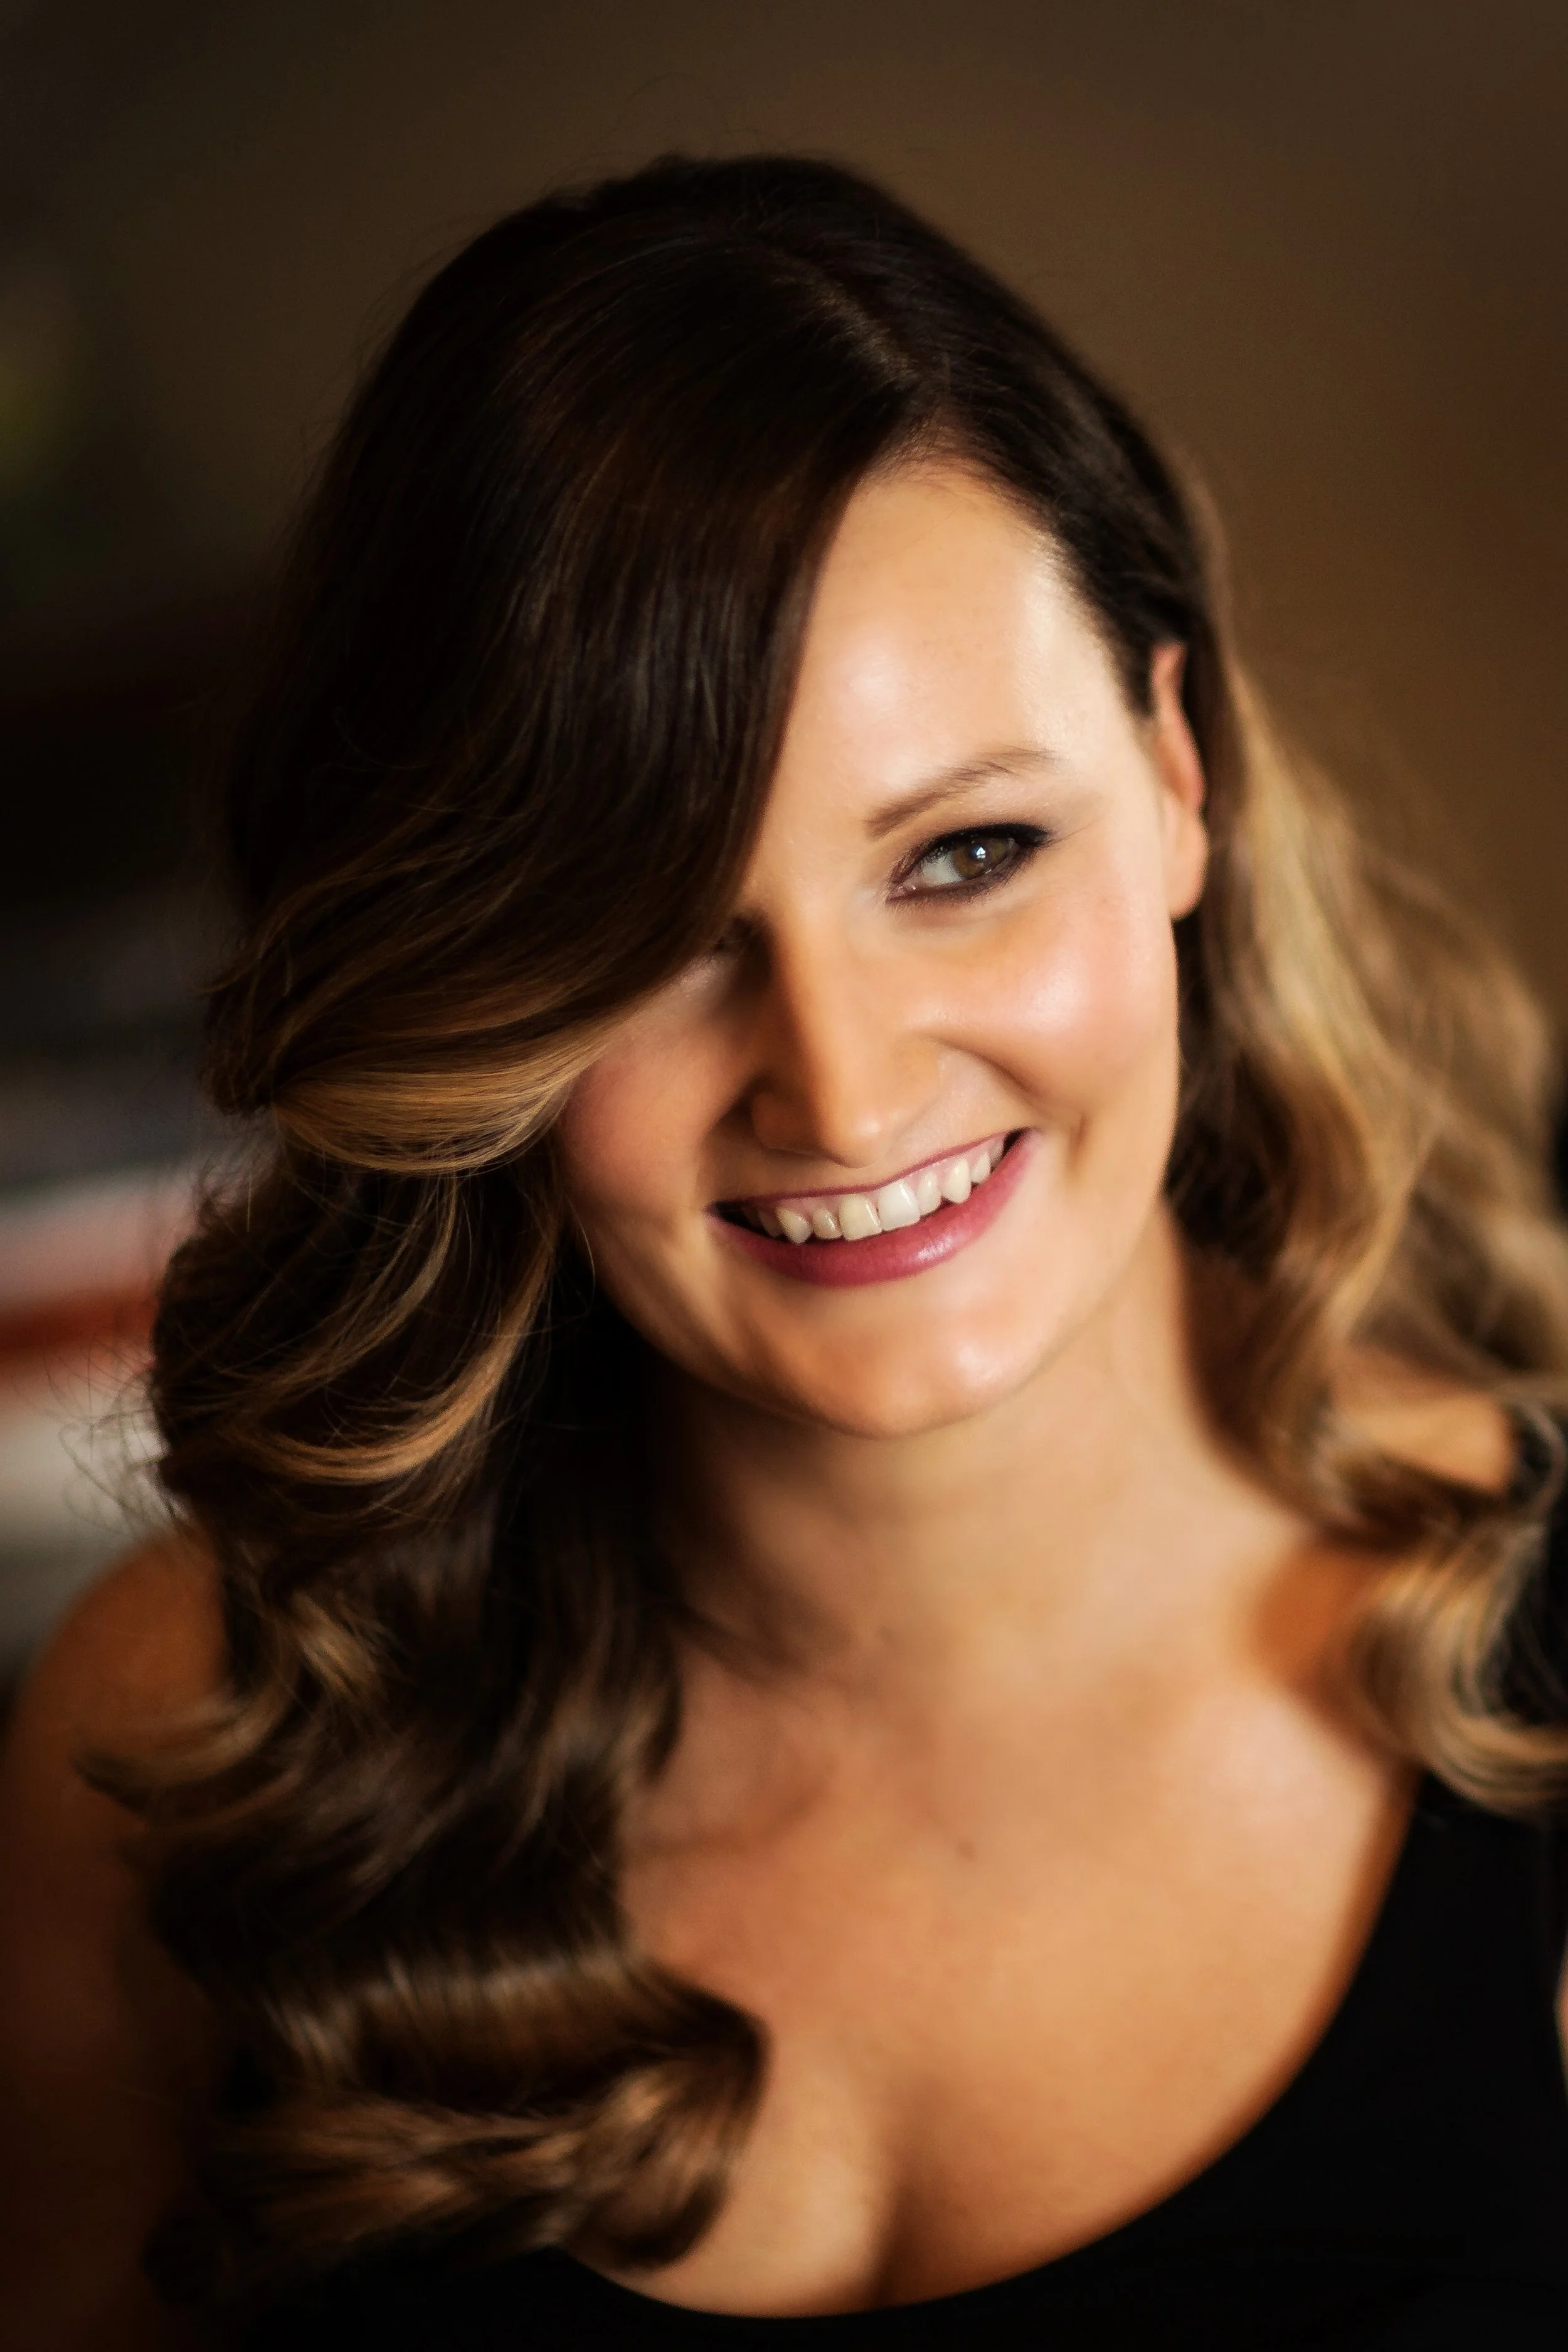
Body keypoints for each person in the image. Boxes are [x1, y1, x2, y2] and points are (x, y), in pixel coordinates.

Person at [2, 153, 1566, 2352]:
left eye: (966, 855)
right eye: (644, 944)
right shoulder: (178, 1751)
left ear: (1178, 772)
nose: (837, 1088)